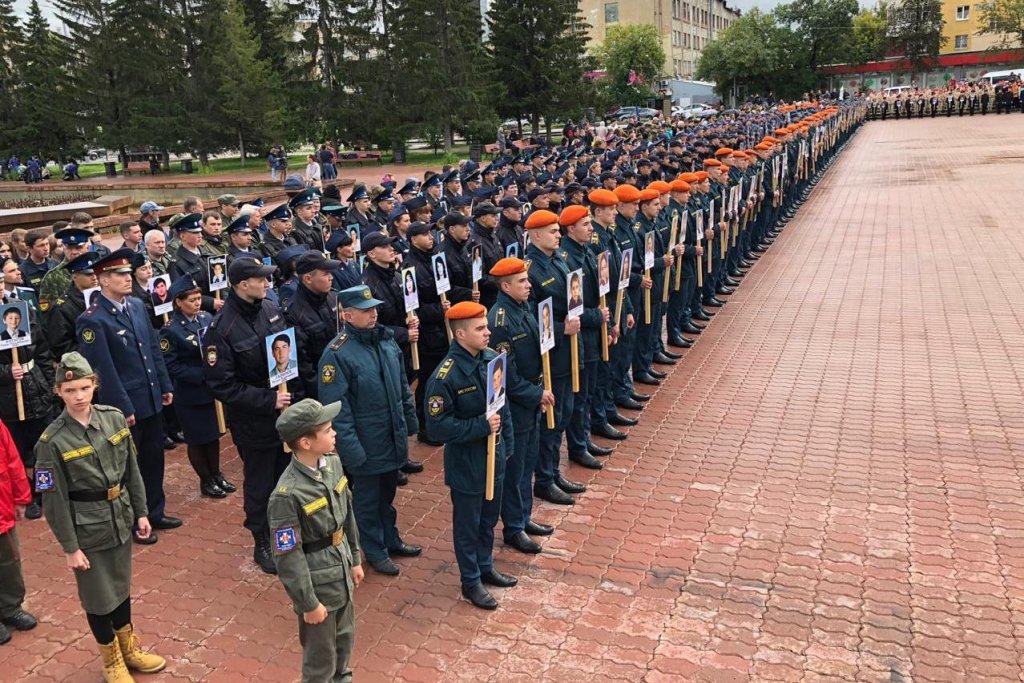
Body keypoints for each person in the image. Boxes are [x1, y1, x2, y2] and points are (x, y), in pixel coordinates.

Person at [34, 352, 165, 682]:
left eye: (84, 387)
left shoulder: (114, 418)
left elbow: (132, 470)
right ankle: (111, 660)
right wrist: (69, 547)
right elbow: (53, 502)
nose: (78, 396)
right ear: (58, 393)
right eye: (70, 391)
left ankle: (129, 649)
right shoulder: (51, 442)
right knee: (98, 597)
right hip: (86, 529)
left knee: (120, 588)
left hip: (119, 517)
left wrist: (142, 512)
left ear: (94, 385)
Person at [203, 256, 301, 574]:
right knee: (261, 484)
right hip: (253, 420)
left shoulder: (271, 308)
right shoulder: (222, 328)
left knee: (287, 477)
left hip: (283, 411)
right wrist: (267, 400)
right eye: (261, 279)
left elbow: (285, 348)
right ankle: (261, 540)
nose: (268, 283)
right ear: (244, 285)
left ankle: (288, 531)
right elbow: (223, 386)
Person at [76, 249, 180, 545]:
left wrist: (164, 385)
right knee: (126, 467)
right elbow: (102, 370)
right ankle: (136, 519)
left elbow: (152, 349)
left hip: (149, 396)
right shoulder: (93, 320)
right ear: (104, 280)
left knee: (153, 458)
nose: (127, 279)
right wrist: (120, 406)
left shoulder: (135, 305)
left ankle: (154, 511)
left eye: (127, 274)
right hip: (125, 404)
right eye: (120, 275)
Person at [318, 285, 421, 577]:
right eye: (365, 311)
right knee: (367, 501)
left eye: (375, 308)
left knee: (386, 495)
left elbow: (402, 387)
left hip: (391, 436)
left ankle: (391, 539)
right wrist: (352, 451)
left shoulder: (386, 342)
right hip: (366, 442)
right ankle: (374, 551)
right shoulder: (337, 354)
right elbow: (337, 410)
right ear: (347, 315)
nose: (373, 314)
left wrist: (409, 423)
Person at [424, 302, 516, 610]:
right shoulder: (444, 377)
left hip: (495, 456)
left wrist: (508, 448)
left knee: (489, 519)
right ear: (460, 334)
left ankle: (485, 566)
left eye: (487, 326)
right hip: (468, 463)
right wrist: (479, 426)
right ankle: (471, 580)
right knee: (469, 524)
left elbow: (504, 409)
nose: (488, 331)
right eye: (480, 328)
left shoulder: (492, 360)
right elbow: (437, 428)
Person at [269, 399, 363, 683]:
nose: (334, 433)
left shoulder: (333, 463)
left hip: (342, 569)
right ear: (305, 442)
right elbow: (288, 556)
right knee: (320, 662)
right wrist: (308, 603)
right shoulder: (287, 494)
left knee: (344, 646)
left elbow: (348, 516)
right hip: (318, 583)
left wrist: (356, 558)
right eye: (327, 430)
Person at [486, 258, 555, 555]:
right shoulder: (500, 321)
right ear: (505, 286)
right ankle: (514, 527)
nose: (529, 285)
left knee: (528, 461)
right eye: (522, 281)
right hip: (516, 404)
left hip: (532, 396)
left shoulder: (524, 307)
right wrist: (536, 394)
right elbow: (507, 377)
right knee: (516, 469)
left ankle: (524, 516)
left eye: (527, 280)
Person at [524, 210, 586, 505]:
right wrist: (562, 328)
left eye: (558, 231)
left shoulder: (558, 258)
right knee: (551, 418)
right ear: (535, 236)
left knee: (563, 414)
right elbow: (530, 318)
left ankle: (553, 471)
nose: (558, 234)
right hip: (552, 353)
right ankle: (544, 479)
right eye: (552, 231)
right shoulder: (531, 270)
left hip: (569, 349)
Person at [159, 276, 235, 499]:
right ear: (178, 302)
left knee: (213, 436)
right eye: (191, 300)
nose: (197, 303)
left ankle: (217, 474)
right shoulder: (171, 330)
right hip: (190, 393)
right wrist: (203, 375)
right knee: (197, 439)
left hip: (210, 391)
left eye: (199, 298)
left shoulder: (205, 318)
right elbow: (171, 366)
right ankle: (206, 480)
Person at [283, 251, 341, 401]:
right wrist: (324, 393)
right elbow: (304, 366)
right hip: (323, 387)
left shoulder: (333, 297)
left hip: (344, 376)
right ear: (308, 279)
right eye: (325, 274)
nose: (331, 277)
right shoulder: (293, 314)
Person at [0, 418, 37, 645]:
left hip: (2, 512)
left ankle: (10, 607)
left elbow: (13, 460)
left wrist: (21, 497)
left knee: (10, 563)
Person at [47, 252, 100, 360]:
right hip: (83, 363)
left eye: (96, 273)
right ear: (74, 276)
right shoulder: (61, 307)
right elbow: (61, 346)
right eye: (88, 274)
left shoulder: (103, 297)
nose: (94, 277)